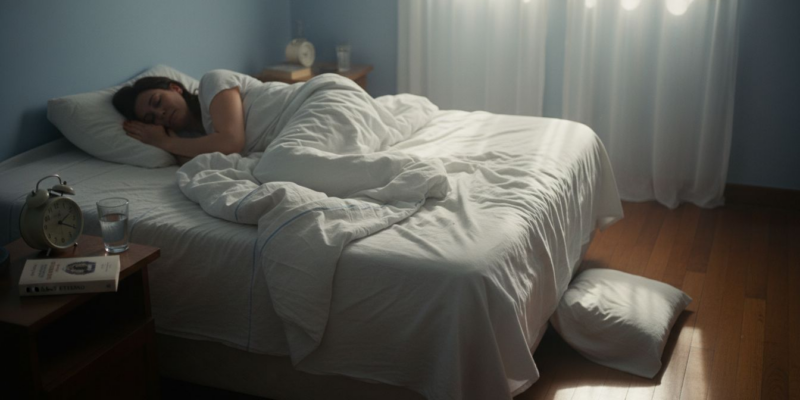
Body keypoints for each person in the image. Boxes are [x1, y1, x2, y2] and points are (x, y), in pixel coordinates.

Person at [112, 73, 249, 161]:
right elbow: (199, 167)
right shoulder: (188, 140)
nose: (160, 114)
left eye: (157, 101)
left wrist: (163, 141)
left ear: (176, 88)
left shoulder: (212, 83)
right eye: (151, 119)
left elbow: (231, 141)